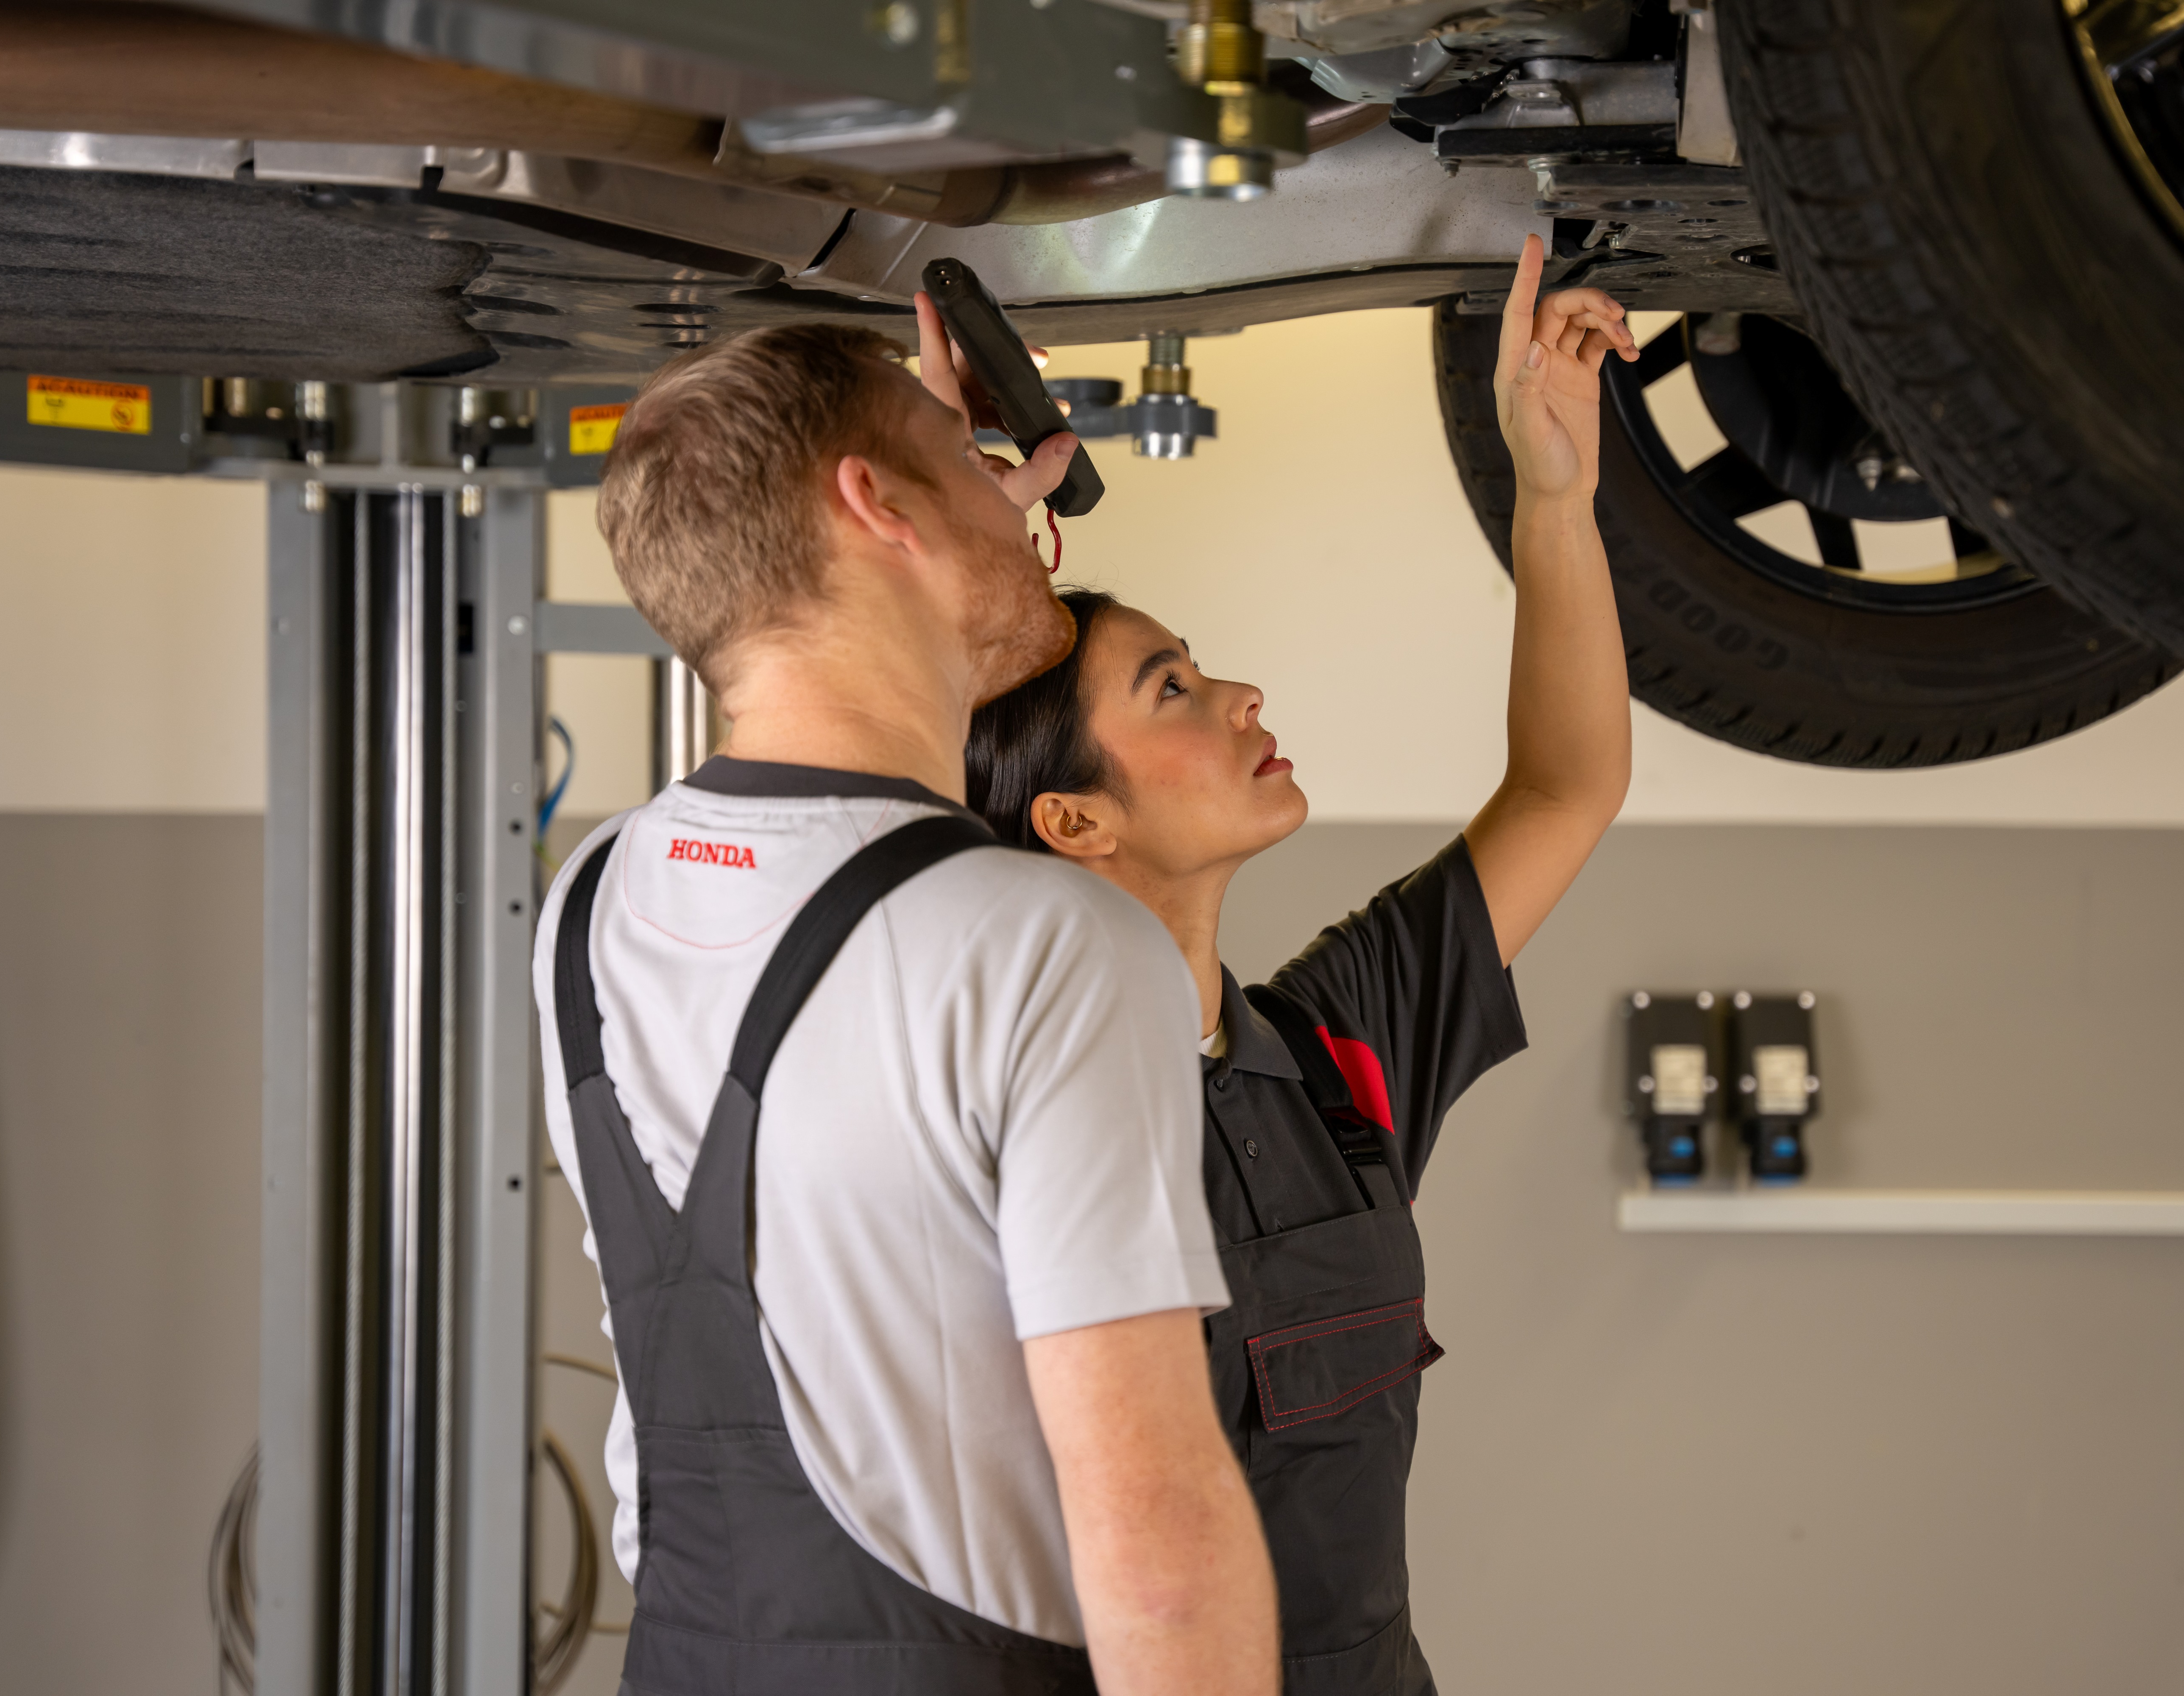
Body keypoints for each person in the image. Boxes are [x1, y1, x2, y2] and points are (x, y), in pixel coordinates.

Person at [534, 308, 1279, 1694]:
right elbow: (1159, 1552)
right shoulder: (1048, 944)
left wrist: (952, 532)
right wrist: (953, 544)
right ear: (876, 506)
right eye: (962, 453)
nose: (1012, 490)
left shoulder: (590, 902)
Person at [964, 236, 1637, 1695]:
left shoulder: (1331, 1052)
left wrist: (1553, 494)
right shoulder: (1005, 1118)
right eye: (1174, 689)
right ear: (1073, 821)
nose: (1240, 692)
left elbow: (1565, 789)